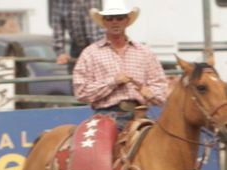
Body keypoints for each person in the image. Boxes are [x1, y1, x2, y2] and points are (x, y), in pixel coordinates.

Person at [72, 1, 167, 129]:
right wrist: (113, 82)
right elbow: (81, 92)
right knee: (98, 148)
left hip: (140, 116)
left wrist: (151, 93)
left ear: (127, 21)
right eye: (109, 18)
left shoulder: (144, 52)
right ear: (104, 22)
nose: (114, 22)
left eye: (119, 18)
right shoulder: (90, 53)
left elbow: (160, 86)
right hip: (106, 116)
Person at [52, 0, 104, 65]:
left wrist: (97, 52)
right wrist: (60, 53)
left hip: (95, 44)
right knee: (73, 71)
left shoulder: (89, 2)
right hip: (76, 46)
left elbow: (93, 31)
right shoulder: (59, 2)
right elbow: (58, 27)